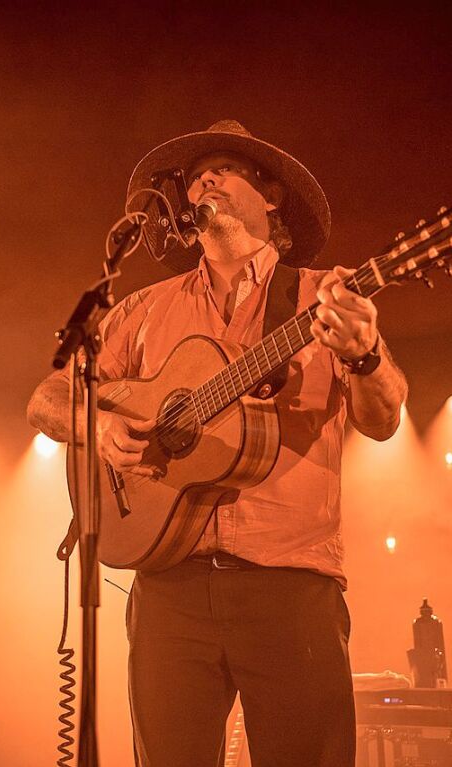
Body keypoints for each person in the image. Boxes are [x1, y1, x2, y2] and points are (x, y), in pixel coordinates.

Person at [26, 120, 408, 766]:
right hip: (167, 587)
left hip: (288, 588)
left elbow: (385, 416)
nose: (204, 179)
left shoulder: (321, 297)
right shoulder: (143, 309)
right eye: (198, 173)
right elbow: (46, 397)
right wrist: (100, 426)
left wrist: (366, 354)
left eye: (225, 169)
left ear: (271, 199)